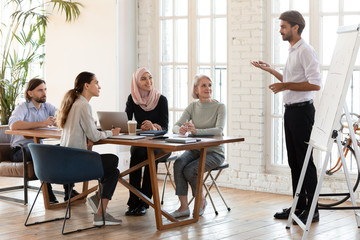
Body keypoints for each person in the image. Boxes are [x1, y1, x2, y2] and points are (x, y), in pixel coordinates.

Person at [251, 10, 322, 224]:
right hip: (291, 111)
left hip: (302, 112)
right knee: (294, 161)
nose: (280, 30)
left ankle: (313, 210)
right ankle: (299, 206)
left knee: (305, 161)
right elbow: (291, 80)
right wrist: (272, 71)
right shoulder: (292, 51)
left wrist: (285, 85)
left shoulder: (306, 51)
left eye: (283, 27)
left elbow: (315, 83)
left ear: (295, 28)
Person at [57, 71, 122, 226]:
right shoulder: (83, 104)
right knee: (113, 168)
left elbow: (85, 133)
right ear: (87, 85)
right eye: (96, 83)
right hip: (76, 163)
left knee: (111, 162)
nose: (99, 86)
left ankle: (97, 199)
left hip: (63, 161)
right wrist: (111, 133)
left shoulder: (72, 102)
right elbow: (93, 136)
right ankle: (100, 213)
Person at [8, 78, 77, 204]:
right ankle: (49, 194)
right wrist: (43, 123)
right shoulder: (22, 107)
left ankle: (69, 191)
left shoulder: (47, 106)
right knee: (43, 153)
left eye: (45, 89)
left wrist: (60, 121)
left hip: (38, 148)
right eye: (40, 90)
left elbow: (62, 116)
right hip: (20, 151)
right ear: (30, 93)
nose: (44, 93)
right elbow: (14, 125)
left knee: (65, 148)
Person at [170, 74, 226, 218]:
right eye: (203, 85)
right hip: (195, 150)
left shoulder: (220, 107)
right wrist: (181, 130)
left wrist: (196, 131)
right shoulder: (193, 106)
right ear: (196, 89)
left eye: (210, 85)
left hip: (214, 152)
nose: (208, 88)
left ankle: (200, 201)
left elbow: (218, 131)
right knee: (178, 163)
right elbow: (175, 126)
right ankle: (183, 207)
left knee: (191, 169)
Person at [124, 67, 169, 216]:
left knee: (151, 155)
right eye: (143, 78)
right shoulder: (133, 98)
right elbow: (126, 121)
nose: (148, 81)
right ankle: (133, 201)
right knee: (137, 153)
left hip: (158, 144)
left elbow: (165, 127)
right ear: (136, 81)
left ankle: (145, 202)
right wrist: (141, 127)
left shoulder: (161, 99)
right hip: (140, 141)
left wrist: (154, 127)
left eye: (150, 77)